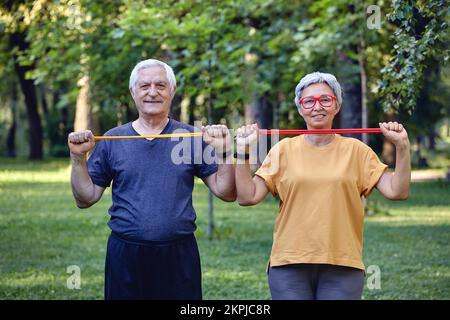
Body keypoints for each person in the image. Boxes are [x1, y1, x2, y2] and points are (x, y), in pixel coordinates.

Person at [68, 58, 236, 300]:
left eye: (161, 85)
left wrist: (223, 152)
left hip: (179, 254)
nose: (152, 92)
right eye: (144, 86)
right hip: (125, 254)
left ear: (172, 91)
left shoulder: (190, 136)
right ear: (133, 92)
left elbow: (226, 192)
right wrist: (78, 158)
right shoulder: (112, 139)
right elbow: (85, 198)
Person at [234, 72, 411, 300]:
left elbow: (398, 191)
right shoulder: (282, 150)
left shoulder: (357, 151)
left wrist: (403, 147)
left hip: (343, 264)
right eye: (309, 101)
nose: (317, 107)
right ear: (300, 108)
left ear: (336, 105)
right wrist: (242, 151)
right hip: (288, 263)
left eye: (325, 100)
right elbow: (247, 197)